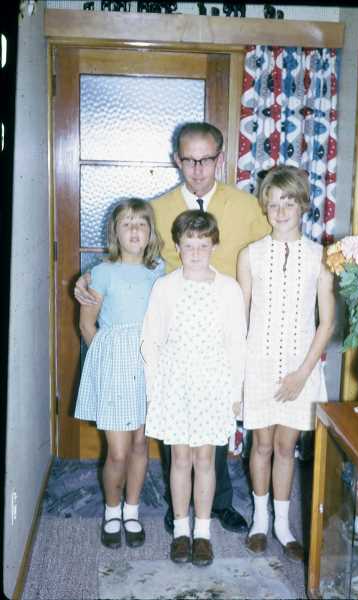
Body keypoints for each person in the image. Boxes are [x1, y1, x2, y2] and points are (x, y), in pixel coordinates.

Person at [74, 121, 271, 535]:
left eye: (206, 160)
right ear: (176, 160)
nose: (198, 169)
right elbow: (132, 260)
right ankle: (177, 507)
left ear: (220, 159)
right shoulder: (157, 209)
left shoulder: (246, 206)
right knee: (174, 432)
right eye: (189, 160)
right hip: (175, 336)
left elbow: (267, 254)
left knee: (213, 433)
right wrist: (86, 280)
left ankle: (218, 504)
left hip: (219, 333)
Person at [237, 165, 335, 561]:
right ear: (264, 206)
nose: (280, 211)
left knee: (285, 446)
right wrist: (237, 377)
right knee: (261, 445)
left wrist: (302, 374)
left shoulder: (319, 257)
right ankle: (260, 521)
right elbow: (240, 319)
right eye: (273, 203)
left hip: (300, 368)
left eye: (288, 202)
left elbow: (326, 323)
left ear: (303, 205)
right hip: (258, 366)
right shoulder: (250, 255)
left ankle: (283, 525)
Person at [140, 210, 247, 565]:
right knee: (180, 458)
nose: (196, 252)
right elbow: (151, 341)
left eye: (203, 245)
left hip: (213, 385)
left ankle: (202, 532)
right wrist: (155, 390)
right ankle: (181, 530)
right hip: (174, 384)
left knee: (205, 459)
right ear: (177, 247)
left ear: (214, 246)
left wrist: (235, 394)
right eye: (189, 245)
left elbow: (237, 345)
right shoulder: (165, 287)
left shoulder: (229, 289)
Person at [74, 198, 164, 549]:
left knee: (141, 443)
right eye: (126, 224)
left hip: (147, 364)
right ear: (115, 232)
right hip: (115, 366)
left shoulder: (160, 270)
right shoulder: (101, 273)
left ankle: (132, 510)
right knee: (118, 451)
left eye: (141, 223)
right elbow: (87, 325)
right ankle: (112, 511)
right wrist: (106, 362)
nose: (134, 230)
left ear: (150, 232)